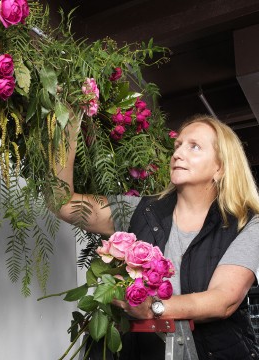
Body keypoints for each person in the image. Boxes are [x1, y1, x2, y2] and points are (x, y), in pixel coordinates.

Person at [53, 113, 259, 359]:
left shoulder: (248, 223)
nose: (178, 154)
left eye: (194, 147)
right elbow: (63, 203)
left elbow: (223, 300)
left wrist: (153, 308)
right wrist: (65, 128)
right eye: (178, 145)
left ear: (220, 167)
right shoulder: (139, 210)